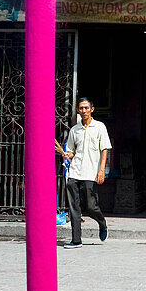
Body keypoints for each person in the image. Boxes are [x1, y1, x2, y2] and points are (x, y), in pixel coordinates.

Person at [62, 97, 111, 247]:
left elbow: (105, 149)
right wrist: (68, 154)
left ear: (92, 110)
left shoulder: (100, 127)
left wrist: (101, 170)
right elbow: (71, 150)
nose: (83, 111)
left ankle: (102, 223)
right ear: (78, 110)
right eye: (81, 108)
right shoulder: (74, 130)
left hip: (91, 172)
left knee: (90, 206)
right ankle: (76, 240)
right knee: (74, 207)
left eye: (86, 108)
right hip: (75, 171)